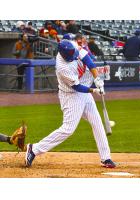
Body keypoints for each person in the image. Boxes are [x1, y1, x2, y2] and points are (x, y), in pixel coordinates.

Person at [25, 39, 116, 168]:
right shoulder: (62, 67)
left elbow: (88, 60)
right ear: (64, 55)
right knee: (68, 129)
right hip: (71, 96)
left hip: (85, 94)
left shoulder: (73, 47)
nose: (74, 56)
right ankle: (34, 149)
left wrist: (97, 78)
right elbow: (77, 87)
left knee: (97, 122)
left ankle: (106, 158)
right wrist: (94, 90)